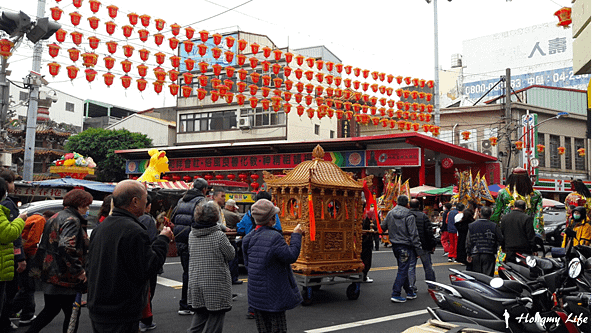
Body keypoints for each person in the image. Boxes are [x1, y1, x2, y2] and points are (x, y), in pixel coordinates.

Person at [86, 180, 173, 333]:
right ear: (135, 201)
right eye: (145, 199)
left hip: (99, 306)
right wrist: (163, 239)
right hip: (120, 310)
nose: (147, 203)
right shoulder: (134, 230)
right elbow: (149, 267)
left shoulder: (101, 228)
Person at [27, 189, 93, 333]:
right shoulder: (72, 220)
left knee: (51, 309)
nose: (88, 208)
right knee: (72, 314)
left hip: (50, 272)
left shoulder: (55, 216)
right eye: (86, 205)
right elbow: (67, 247)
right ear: (79, 204)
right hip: (65, 276)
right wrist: (79, 271)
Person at [242, 199, 303, 333]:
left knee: (263, 328)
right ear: (271, 219)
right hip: (274, 293)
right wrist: (296, 236)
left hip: (256, 293)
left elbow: (248, 264)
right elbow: (291, 256)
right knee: (277, 328)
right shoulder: (274, 237)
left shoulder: (248, 238)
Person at [187, 201, 236, 333]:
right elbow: (231, 255)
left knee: (199, 318)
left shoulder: (192, 234)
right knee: (215, 320)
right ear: (215, 217)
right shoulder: (219, 236)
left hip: (196, 282)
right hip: (216, 284)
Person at [171, 178, 210, 315]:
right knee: (193, 273)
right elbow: (201, 221)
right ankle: (187, 304)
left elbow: (173, 218)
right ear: (204, 189)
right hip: (193, 240)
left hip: (180, 240)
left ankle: (187, 303)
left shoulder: (181, 200)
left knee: (187, 272)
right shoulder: (201, 202)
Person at [10, 211, 55, 327]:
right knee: (28, 286)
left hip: (18, 253)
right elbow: (32, 241)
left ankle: (26, 314)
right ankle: (12, 311)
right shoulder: (41, 221)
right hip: (26, 255)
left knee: (27, 286)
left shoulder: (33, 218)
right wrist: (32, 257)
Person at [381, 195, 421, 303]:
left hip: (395, 244)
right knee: (403, 269)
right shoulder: (409, 215)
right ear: (407, 204)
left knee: (403, 268)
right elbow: (413, 234)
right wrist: (418, 248)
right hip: (405, 245)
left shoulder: (390, 213)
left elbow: (383, 226)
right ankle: (396, 293)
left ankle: (409, 291)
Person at [0, 170, 27, 332]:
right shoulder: (7, 205)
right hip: (4, 263)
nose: (13, 185)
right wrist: (20, 220)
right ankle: (4, 322)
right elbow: (10, 234)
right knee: (7, 295)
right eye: (11, 182)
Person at [138, 194, 159, 332]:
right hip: (146, 261)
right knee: (148, 291)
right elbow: (152, 241)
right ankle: (146, 321)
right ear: (148, 206)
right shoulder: (147, 219)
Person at [408, 199, 436, 292]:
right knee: (428, 266)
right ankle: (431, 286)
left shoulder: (406, 215)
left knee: (411, 266)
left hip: (410, 244)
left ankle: (411, 286)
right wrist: (432, 244)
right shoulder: (423, 216)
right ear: (419, 206)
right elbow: (429, 232)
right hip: (423, 244)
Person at [466, 206, 504, 276]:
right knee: (487, 277)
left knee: (477, 276)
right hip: (489, 254)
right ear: (491, 215)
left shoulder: (472, 226)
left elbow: (468, 241)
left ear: (480, 214)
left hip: (475, 253)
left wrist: (468, 254)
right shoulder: (494, 226)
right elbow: (500, 239)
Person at [223, 199, 242, 285]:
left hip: (224, 238)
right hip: (231, 238)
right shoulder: (233, 215)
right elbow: (239, 220)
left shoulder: (222, 212)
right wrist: (236, 211)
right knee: (233, 259)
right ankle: (233, 278)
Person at [455, 203, 475, 269]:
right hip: (469, 240)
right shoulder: (472, 224)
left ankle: (462, 260)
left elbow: (456, 225)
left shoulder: (460, 224)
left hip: (461, 238)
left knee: (461, 248)